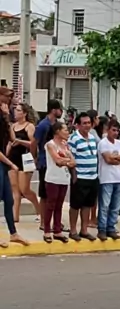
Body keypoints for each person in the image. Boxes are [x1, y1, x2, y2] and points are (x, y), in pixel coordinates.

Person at [31, 98, 63, 232]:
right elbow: (34, 142)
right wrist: (35, 157)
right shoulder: (43, 125)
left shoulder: (57, 125)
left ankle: (55, 221)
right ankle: (44, 222)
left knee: (56, 194)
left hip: (56, 161)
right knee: (45, 194)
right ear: (53, 110)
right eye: (60, 109)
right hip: (45, 162)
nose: (61, 112)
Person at [97, 119, 120, 240]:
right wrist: (119, 158)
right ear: (108, 130)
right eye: (113, 130)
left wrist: (116, 157)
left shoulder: (119, 143)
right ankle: (102, 229)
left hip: (119, 178)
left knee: (115, 205)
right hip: (106, 178)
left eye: (117, 130)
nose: (116, 133)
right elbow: (108, 160)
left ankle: (111, 228)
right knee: (104, 205)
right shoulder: (103, 143)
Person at [67, 112, 99, 242]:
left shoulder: (92, 137)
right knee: (75, 205)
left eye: (89, 123)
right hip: (80, 177)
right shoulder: (73, 138)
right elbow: (70, 158)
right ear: (78, 125)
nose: (87, 125)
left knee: (88, 205)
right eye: (84, 123)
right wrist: (74, 176)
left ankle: (84, 230)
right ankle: (73, 230)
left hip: (93, 177)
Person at [8, 103, 40, 222]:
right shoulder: (13, 126)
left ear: (24, 113)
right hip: (13, 158)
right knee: (14, 189)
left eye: (18, 110)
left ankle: (39, 209)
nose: (15, 112)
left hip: (25, 159)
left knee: (24, 189)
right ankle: (15, 216)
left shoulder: (29, 126)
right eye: (15, 110)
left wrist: (20, 141)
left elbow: (33, 143)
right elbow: (10, 142)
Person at [0, 106, 28, 246]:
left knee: (9, 200)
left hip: (3, 165)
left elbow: (12, 139)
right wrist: (11, 164)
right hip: (2, 164)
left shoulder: (5, 124)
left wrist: (7, 118)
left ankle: (13, 233)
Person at [44, 122, 75, 243]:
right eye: (65, 130)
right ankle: (47, 230)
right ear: (57, 131)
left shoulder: (65, 145)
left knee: (59, 205)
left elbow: (73, 161)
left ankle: (57, 230)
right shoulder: (50, 144)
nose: (67, 133)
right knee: (50, 205)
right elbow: (57, 160)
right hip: (53, 178)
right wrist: (67, 161)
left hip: (64, 178)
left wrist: (66, 161)